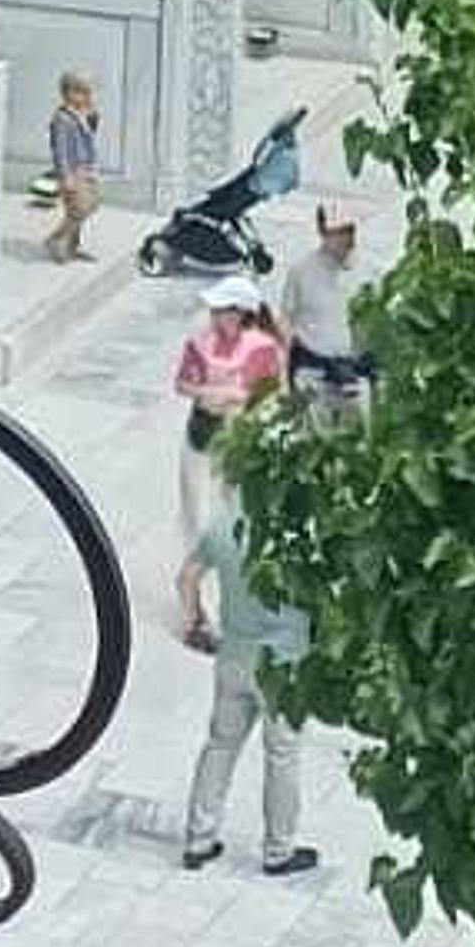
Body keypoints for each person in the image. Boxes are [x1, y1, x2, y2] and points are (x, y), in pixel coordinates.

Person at [181, 374, 321, 883]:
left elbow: (187, 577)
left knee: (219, 745)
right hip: (284, 664)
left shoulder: (222, 527)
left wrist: (197, 620)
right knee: (281, 756)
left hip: (233, 657)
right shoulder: (297, 531)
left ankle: (199, 837)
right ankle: (278, 849)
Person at [167, 277, 285, 652]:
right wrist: (205, 393)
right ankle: (194, 605)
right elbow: (182, 384)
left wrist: (240, 399)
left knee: (232, 527)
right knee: (200, 522)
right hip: (202, 442)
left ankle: (209, 599)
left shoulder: (263, 349)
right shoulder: (200, 345)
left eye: (223, 310)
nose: (216, 317)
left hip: (239, 448)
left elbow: (273, 393)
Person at [270, 198, 372, 400]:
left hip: (355, 364)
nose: (346, 238)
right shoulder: (301, 271)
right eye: (338, 231)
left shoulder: (366, 271)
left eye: (349, 230)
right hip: (314, 363)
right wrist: (283, 380)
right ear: (323, 233)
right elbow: (285, 322)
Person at [40, 71, 102, 265]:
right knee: (79, 208)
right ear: (68, 93)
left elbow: (90, 134)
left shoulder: (82, 114)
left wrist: (92, 117)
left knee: (90, 204)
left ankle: (72, 244)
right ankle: (57, 239)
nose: (86, 97)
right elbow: (60, 150)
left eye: (88, 92)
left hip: (86, 167)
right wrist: (65, 175)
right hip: (73, 171)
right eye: (81, 92)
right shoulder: (62, 119)